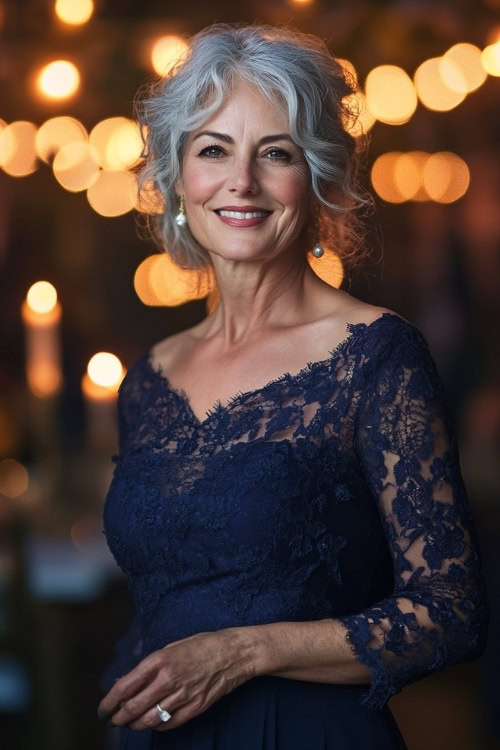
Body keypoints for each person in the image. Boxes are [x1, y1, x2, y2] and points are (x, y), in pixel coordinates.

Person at [98, 23, 489, 749]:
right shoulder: (149, 377)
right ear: (179, 177)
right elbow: (162, 598)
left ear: (316, 179)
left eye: (274, 153)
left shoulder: (376, 356)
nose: (240, 182)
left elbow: (451, 612)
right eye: (213, 149)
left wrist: (243, 652)